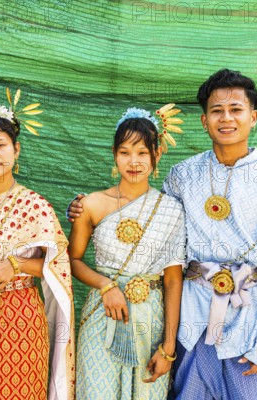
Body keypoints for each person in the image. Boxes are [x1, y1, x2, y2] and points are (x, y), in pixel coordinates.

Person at [70, 69, 257, 399]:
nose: (226, 118)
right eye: (217, 110)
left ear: (253, 117)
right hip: (192, 323)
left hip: (250, 324)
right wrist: (85, 209)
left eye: (236, 109)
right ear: (203, 120)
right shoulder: (183, 175)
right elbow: (147, 216)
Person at [0, 97, 75, 399]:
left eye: (1, 145)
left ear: (16, 149)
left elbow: (58, 265)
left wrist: (16, 265)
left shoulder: (35, 205)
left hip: (21, 315)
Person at [69, 106, 185, 399]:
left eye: (142, 153)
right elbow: (72, 260)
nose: (133, 162)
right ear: (114, 154)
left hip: (151, 320)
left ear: (157, 155)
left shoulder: (170, 210)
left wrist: (168, 347)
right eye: (124, 152)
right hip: (102, 314)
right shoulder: (92, 204)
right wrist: (105, 285)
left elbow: (173, 280)